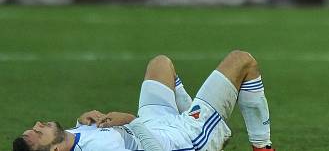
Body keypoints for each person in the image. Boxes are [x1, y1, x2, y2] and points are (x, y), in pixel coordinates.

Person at [13, 51, 276, 151]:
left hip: (155, 122)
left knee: (160, 63)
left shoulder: (66, 139)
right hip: (180, 139)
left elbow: (86, 138)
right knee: (243, 61)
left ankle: (206, 119)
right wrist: (130, 120)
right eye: (38, 133)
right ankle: (261, 146)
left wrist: (84, 121)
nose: (38, 124)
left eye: (33, 127)